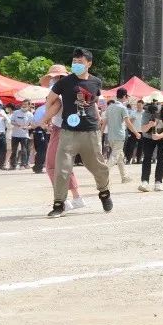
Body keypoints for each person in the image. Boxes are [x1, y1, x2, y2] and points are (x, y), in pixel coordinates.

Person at [38, 49, 112, 217]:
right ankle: (59, 204)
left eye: (80, 62)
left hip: (90, 131)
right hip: (68, 132)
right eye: (74, 62)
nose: (76, 64)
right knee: (62, 169)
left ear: (89, 63)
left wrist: (99, 119)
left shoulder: (96, 82)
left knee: (98, 167)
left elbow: (93, 103)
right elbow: (51, 99)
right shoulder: (65, 82)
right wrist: (47, 118)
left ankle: (104, 193)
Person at [138, 99, 163, 191]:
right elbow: (143, 129)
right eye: (152, 103)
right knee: (147, 157)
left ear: (161, 103)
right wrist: (149, 125)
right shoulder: (146, 112)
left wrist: (159, 136)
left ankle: (158, 181)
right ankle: (145, 181)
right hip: (148, 137)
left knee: (161, 158)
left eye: (157, 103)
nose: (154, 106)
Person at [104, 88, 135, 184]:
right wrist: (136, 132)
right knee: (114, 156)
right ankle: (103, 173)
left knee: (120, 156)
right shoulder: (122, 108)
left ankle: (124, 177)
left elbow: (105, 122)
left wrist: (100, 133)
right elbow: (128, 122)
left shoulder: (109, 107)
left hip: (111, 136)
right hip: (119, 135)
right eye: (126, 96)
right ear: (124, 96)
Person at [9, 104, 32, 169]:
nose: (24, 107)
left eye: (25, 106)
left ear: (28, 107)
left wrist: (27, 127)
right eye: (23, 106)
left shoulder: (30, 114)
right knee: (14, 150)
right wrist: (17, 124)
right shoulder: (16, 112)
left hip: (24, 135)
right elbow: (11, 121)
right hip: (15, 134)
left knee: (24, 150)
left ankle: (23, 164)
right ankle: (13, 165)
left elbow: (32, 125)